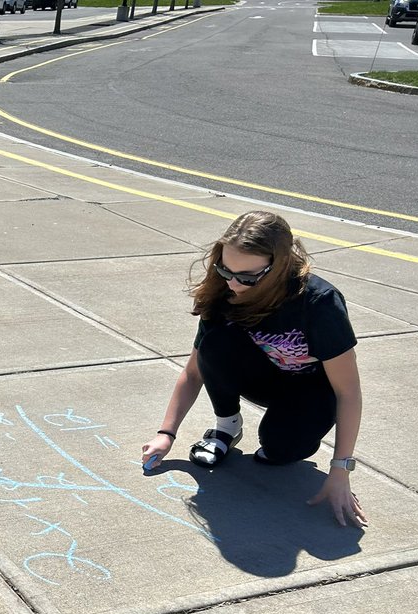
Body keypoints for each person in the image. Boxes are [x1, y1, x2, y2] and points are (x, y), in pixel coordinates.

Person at [141, 211, 367, 528]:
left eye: (247, 277)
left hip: (310, 391)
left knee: (277, 453)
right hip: (262, 376)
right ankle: (227, 426)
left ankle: (283, 433)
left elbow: (348, 391)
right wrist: (166, 434)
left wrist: (341, 469)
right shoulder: (225, 291)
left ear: (280, 266)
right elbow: (195, 371)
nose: (233, 283)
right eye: (224, 270)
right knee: (216, 342)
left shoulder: (319, 303)